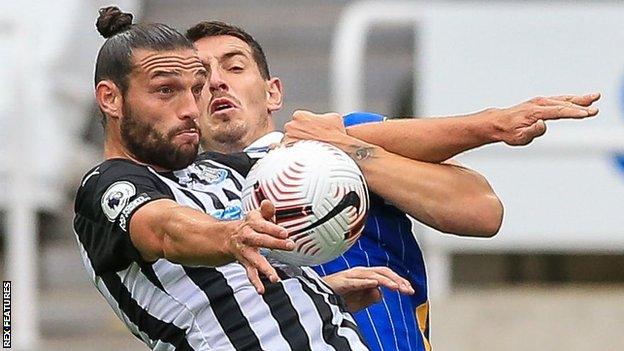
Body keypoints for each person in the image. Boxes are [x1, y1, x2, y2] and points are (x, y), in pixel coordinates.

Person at [185, 20, 599, 351]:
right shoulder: (180, 200)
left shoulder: (340, 141)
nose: (218, 82)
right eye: (200, 77)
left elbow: (482, 212)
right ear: (184, 105)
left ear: (273, 92)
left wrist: (348, 149)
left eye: (235, 66)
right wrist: (317, 295)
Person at [74, 7, 415, 350]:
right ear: (111, 98)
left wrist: (313, 290)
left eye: (195, 90)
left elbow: (363, 140)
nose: (192, 108)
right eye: (166, 91)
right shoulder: (105, 187)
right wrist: (229, 235)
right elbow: (165, 229)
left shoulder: (225, 168)